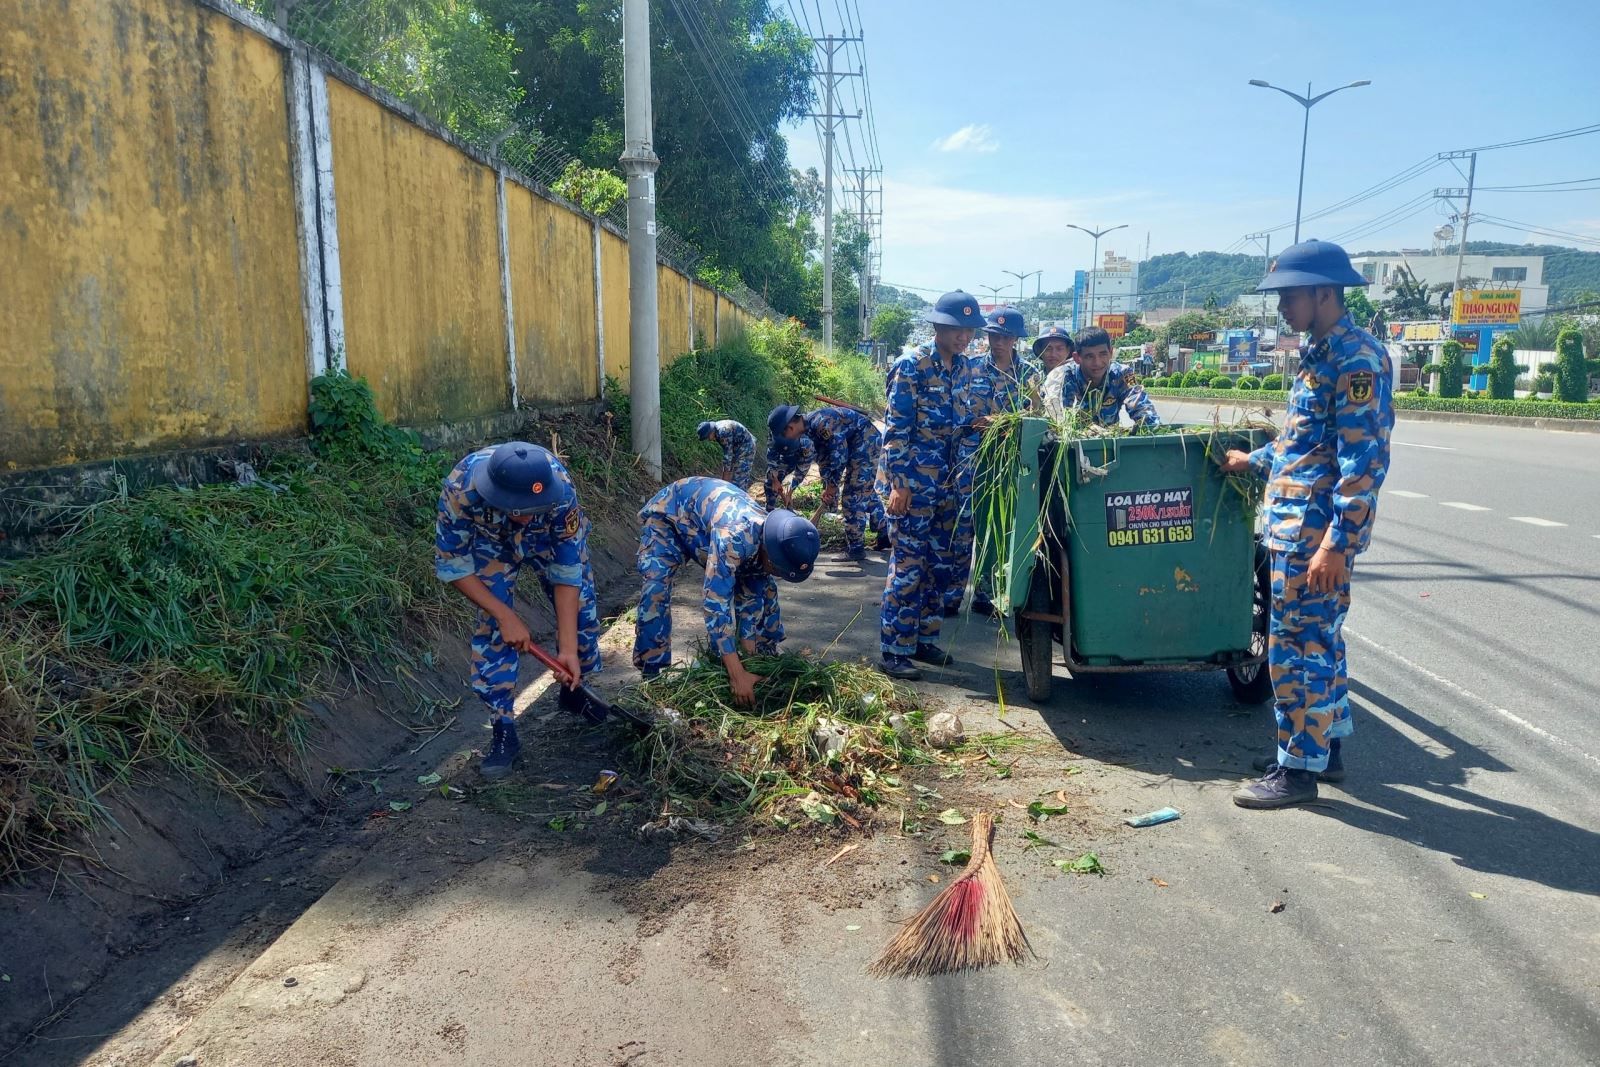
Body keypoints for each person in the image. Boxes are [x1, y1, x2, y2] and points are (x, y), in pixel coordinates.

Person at [1219, 239, 1394, 809]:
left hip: (1313, 536)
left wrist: (1336, 545)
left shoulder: (1356, 359)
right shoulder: (1319, 353)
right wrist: (1255, 460)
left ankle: (1296, 771)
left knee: (1294, 647)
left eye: (1290, 296)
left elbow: (1362, 462)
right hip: (1295, 527)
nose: (1282, 308)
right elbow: (1303, 442)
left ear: (1325, 293)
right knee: (1323, 644)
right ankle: (1325, 747)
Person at [434, 442, 602, 778]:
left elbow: (568, 569)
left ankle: (574, 690)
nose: (526, 516)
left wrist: (567, 647)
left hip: (546, 540)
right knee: (494, 628)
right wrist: (504, 614)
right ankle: (502, 727)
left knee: (581, 611)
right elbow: (453, 564)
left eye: (534, 507)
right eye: (520, 508)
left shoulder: (559, 490)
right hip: (491, 542)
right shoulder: (461, 489)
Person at [633, 477, 820, 706]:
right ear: (770, 555)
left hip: (706, 529)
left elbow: (750, 600)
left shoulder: (770, 541)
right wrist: (737, 674)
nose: (780, 575)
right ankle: (651, 674)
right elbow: (715, 605)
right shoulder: (735, 538)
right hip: (670, 517)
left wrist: (749, 659)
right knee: (656, 588)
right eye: (779, 570)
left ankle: (761, 656)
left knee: (767, 590)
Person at [879, 290, 987, 680]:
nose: (964, 337)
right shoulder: (913, 365)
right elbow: (895, 430)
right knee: (908, 567)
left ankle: (924, 638)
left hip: (948, 485)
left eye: (970, 331)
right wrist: (899, 483)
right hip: (913, 486)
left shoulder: (964, 369)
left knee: (939, 568)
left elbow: (964, 423)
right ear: (938, 325)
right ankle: (894, 648)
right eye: (958, 329)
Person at [941, 306, 1034, 617]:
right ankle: (952, 594)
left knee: (999, 524)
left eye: (1005, 337)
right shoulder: (970, 368)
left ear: (1015, 339)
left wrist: (1012, 423)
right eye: (994, 335)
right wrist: (977, 421)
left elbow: (1039, 415)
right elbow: (955, 410)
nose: (999, 342)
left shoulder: (1029, 375)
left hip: (1008, 458)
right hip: (971, 456)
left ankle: (987, 592)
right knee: (963, 523)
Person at [770, 403, 889, 561]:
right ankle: (885, 532)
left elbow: (838, 454)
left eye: (784, 436)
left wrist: (833, 486)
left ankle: (856, 548)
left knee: (853, 493)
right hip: (857, 445)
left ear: (790, 428)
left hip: (866, 443)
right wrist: (828, 488)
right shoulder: (810, 429)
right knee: (863, 490)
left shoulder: (822, 423)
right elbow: (825, 460)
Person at [1042, 326, 1160, 429]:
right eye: (1089, 356)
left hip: (1109, 448)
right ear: (1077, 358)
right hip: (1071, 447)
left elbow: (1141, 406)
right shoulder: (1061, 377)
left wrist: (1153, 428)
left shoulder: (1123, 374)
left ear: (1110, 352)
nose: (1097, 362)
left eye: (1103, 354)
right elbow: (1055, 418)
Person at [763, 426, 814, 511]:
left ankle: (789, 507)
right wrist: (775, 480)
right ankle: (769, 509)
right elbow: (772, 457)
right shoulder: (776, 434)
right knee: (770, 481)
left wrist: (790, 492)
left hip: (796, 457)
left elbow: (801, 471)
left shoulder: (806, 445)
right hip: (783, 455)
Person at [698, 419, 756, 490]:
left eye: (707, 437)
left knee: (739, 479)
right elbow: (728, 457)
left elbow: (728, 457)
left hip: (747, 448)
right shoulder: (717, 430)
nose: (709, 440)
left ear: (711, 432)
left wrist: (724, 484)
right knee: (733, 477)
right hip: (738, 448)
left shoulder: (723, 432)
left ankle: (739, 498)